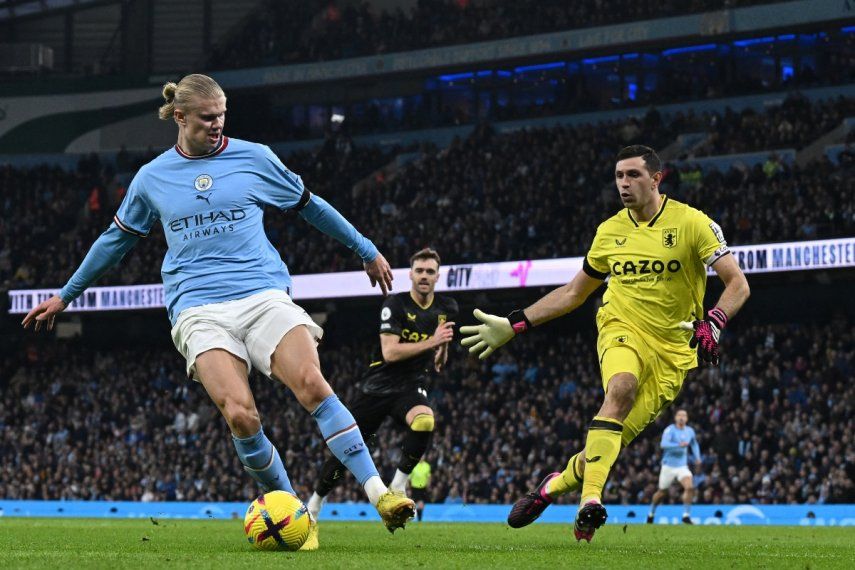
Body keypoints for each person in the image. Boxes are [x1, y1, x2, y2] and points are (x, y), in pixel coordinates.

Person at [21, 74, 415, 549]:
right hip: (197, 308)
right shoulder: (151, 178)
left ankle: (380, 496)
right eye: (207, 118)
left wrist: (365, 248)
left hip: (262, 294)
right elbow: (115, 241)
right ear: (180, 117)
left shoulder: (254, 157)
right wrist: (67, 293)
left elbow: (310, 206)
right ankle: (291, 514)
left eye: (222, 116)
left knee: (311, 383)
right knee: (241, 416)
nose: (217, 125)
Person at [460, 145, 750, 542]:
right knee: (621, 387)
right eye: (618, 176)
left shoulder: (693, 223)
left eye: (632, 175)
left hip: (674, 353)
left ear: (656, 179)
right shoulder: (610, 231)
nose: (624, 184)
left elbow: (738, 283)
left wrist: (714, 321)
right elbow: (575, 293)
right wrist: (516, 324)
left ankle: (553, 485)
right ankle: (589, 501)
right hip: (621, 326)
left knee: (611, 442)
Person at [307, 248, 457, 523]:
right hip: (378, 386)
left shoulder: (446, 308)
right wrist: (433, 343)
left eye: (430, 272)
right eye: (420, 271)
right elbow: (390, 353)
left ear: (438, 277)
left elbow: (442, 337)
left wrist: (442, 351)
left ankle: (398, 486)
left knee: (424, 421)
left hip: (411, 385)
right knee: (346, 448)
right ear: (410, 274)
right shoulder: (395, 305)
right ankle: (316, 502)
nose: (424, 276)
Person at [647, 409, 702, 524]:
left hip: (682, 466)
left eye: (684, 415)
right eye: (679, 415)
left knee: (690, 487)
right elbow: (664, 445)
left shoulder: (690, 431)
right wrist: (678, 445)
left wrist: (697, 457)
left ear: (687, 418)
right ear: (675, 418)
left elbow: (694, 443)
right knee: (662, 492)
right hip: (668, 466)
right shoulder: (670, 430)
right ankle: (651, 512)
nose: (681, 417)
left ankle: (686, 515)